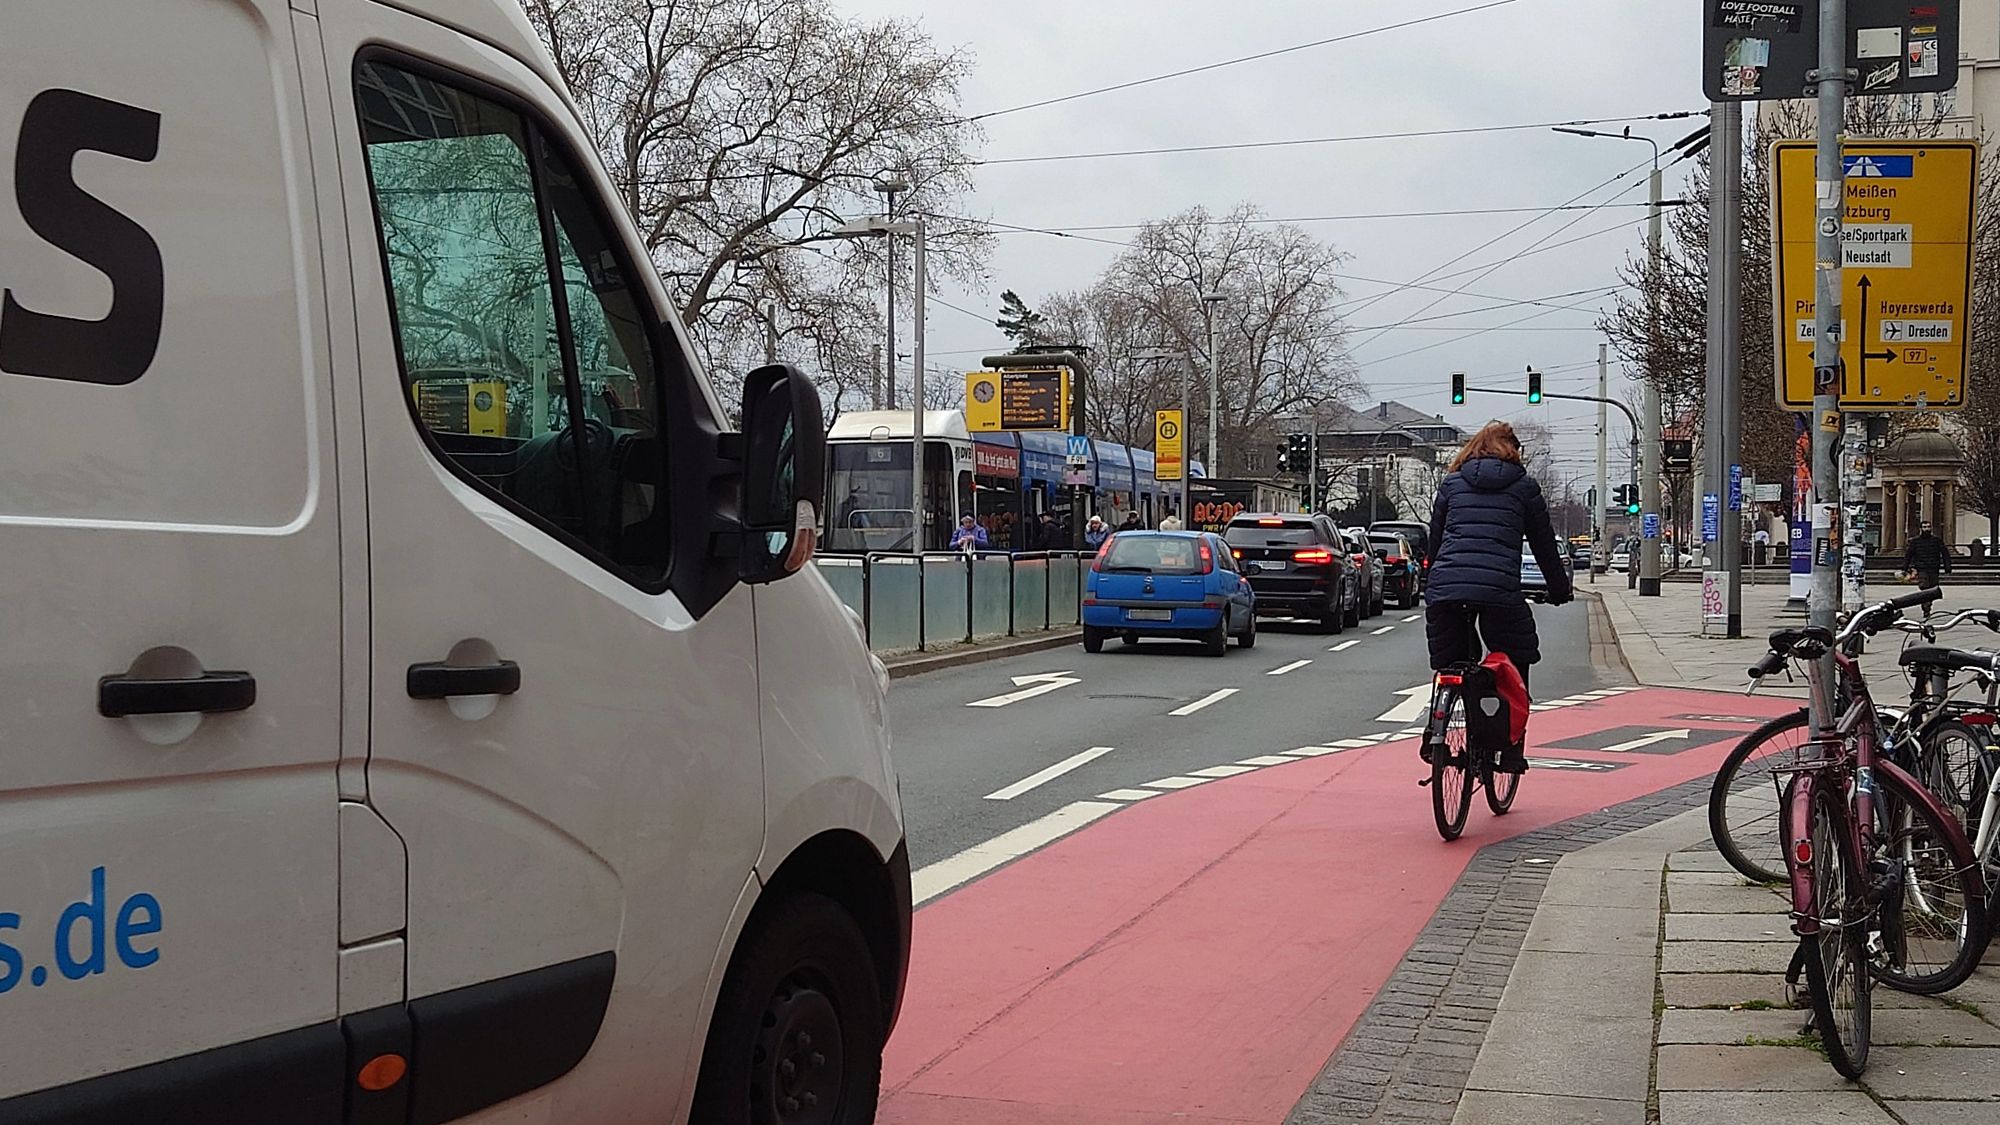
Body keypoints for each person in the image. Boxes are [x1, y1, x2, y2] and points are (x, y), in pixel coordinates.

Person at [1423, 421, 1573, 773]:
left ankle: (1435, 731)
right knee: (1516, 657)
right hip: (1499, 592)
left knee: (1451, 661)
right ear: (1513, 451)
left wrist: (1432, 582)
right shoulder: (1523, 487)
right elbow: (1543, 545)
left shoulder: (1452, 484)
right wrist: (1559, 588)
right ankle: (1510, 750)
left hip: (1447, 588)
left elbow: (1436, 538)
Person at [1905, 521, 1951, 591]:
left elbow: (1945, 554)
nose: (1927, 529)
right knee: (1923, 585)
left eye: (1928, 527)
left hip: (1933, 567)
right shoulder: (1915, 541)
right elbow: (1909, 555)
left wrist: (1947, 567)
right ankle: (1926, 601)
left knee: (1933, 586)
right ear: (1921, 529)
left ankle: (1928, 600)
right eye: (1924, 527)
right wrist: (1905, 567)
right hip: (1921, 568)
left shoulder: (1936, 540)